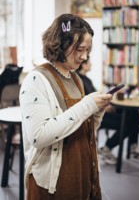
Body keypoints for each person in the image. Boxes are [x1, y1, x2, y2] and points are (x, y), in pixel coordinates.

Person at [19, 13, 112, 200]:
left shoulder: (75, 78)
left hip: (82, 171)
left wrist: (96, 113)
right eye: (79, 49)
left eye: (87, 50)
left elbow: (83, 131)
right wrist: (87, 105)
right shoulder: (37, 79)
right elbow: (39, 136)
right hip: (55, 182)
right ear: (61, 44)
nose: (84, 57)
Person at [77, 57, 139, 165]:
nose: (91, 64)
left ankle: (133, 146)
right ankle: (107, 148)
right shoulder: (79, 80)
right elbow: (87, 103)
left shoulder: (87, 79)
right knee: (129, 122)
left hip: (103, 109)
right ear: (84, 65)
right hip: (97, 115)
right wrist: (103, 105)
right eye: (89, 62)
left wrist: (107, 100)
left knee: (134, 113)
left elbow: (97, 96)